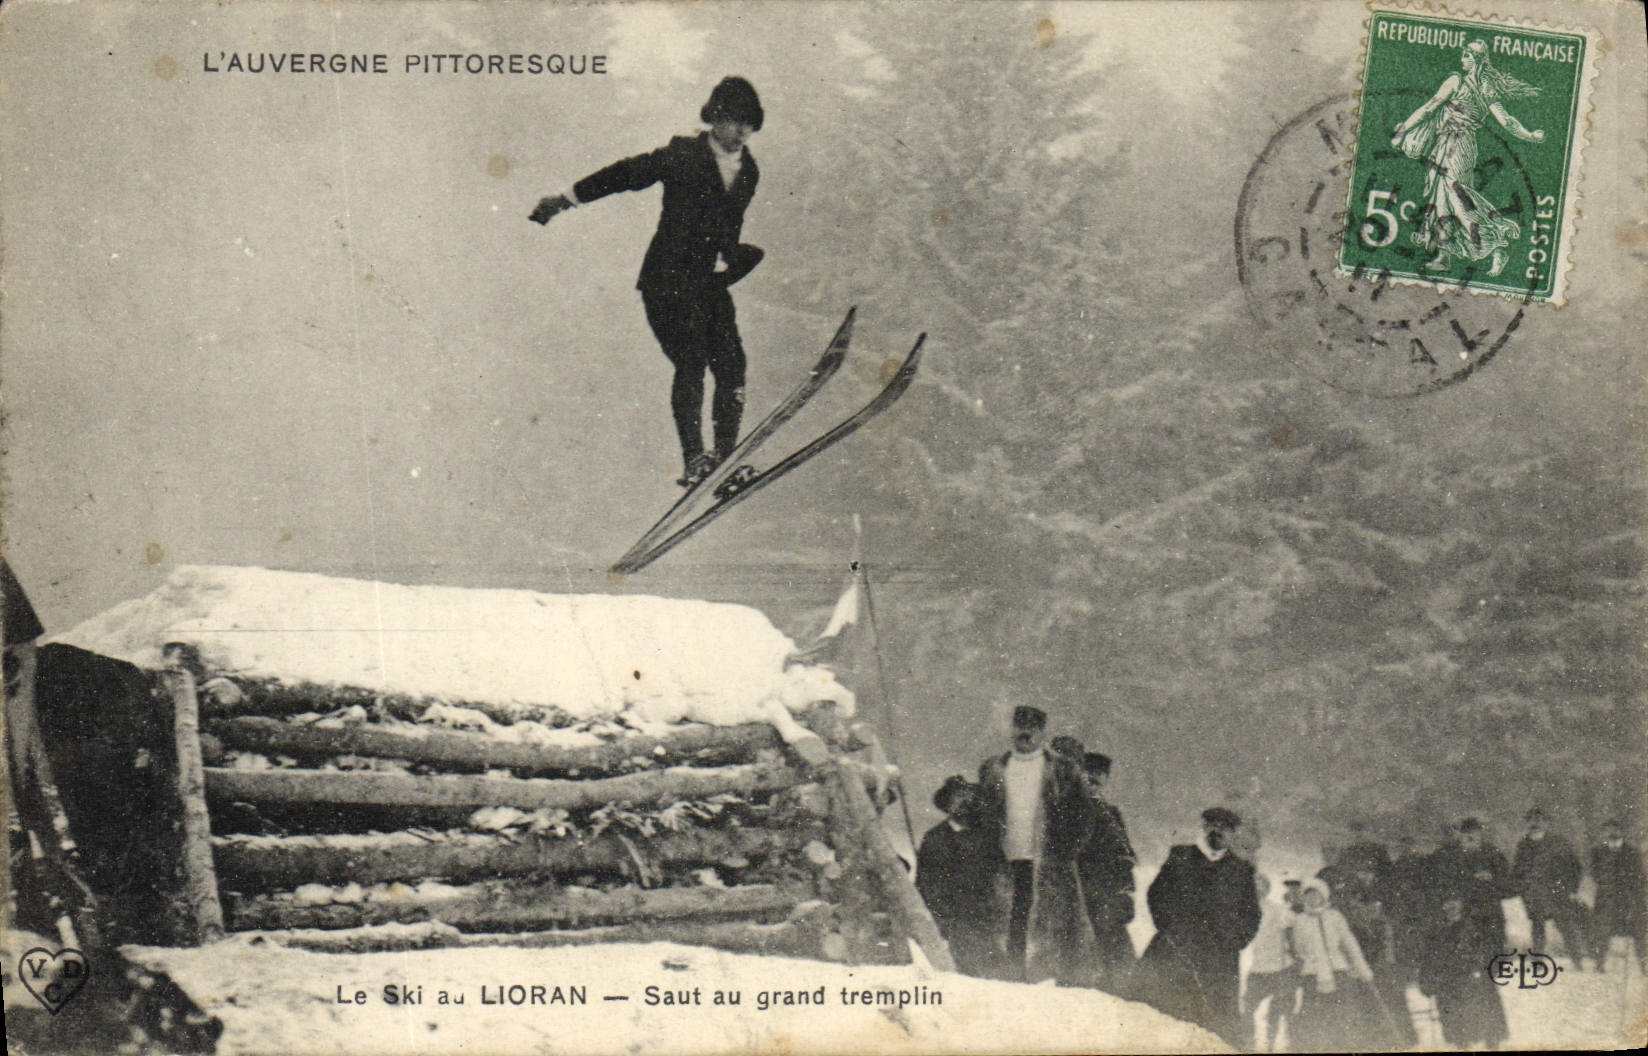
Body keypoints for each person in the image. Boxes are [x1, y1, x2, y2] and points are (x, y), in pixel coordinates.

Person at [530, 76, 767, 487]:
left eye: (750, 123)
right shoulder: (682, 155)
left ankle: (725, 459)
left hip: (708, 285)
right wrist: (566, 199)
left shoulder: (748, 171)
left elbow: (727, 228)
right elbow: (625, 174)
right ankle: (695, 459)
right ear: (714, 119)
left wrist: (736, 258)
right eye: (734, 121)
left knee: (732, 364)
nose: (742, 132)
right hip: (667, 283)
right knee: (692, 361)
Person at [1389, 39, 1546, 275]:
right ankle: (1443, 256)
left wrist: (1531, 136)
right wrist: (1530, 136)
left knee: (1457, 195)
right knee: (1442, 199)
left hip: (1459, 146)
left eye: (1466, 55)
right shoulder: (1481, 87)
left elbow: (1429, 108)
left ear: (1475, 60)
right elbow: (1506, 121)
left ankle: (1496, 243)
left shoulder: (1463, 83)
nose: (1462, 59)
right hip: (1445, 144)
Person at [975, 705, 1089, 983]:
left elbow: (1083, 815)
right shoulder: (993, 769)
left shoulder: (1063, 769)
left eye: (1033, 728)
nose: (1025, 734)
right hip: (1006, 857)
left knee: (1050, 919)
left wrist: (1067, 850)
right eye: (1020, 727)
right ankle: (1011, 974)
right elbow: (982, 814)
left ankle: (1051, 976)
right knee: (1009, 918)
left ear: (1042, 732)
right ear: (1012, 729)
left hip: (1048, 858)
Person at [1138, 807, 1262, 1046]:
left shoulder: (1241, 870)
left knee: (1215, 1025)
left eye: (1224, 829)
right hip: (1174, 950)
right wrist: (1170, 931)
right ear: (1204, 828)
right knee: (1159, 1015)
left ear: (1233, 834)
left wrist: (1234, 941)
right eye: (1212, 826)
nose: (1217, 833)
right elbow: (1156, 895)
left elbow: (1251, 915)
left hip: (1219, 960)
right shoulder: (1180, 857)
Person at [914, 775, 998, 978]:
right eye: (956, 799)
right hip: (943, 914)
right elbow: (924, 880)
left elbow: (996, 875)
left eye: (967, 798)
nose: (962, 804)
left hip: (978, 915)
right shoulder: (933, 837)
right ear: (947, 804)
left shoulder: (986, 837)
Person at [1290, 877, 1383, 1052]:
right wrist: (1311, 962)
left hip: (1338, 971)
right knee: (1317, 1019)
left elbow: (1350, 945)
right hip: (1313, 975)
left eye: (1315, 895)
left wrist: (1364, 971)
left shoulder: (1334, 916)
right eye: (1308, 895)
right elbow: (1299, 948)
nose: (1312, 899)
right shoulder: (1300, 921)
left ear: (1323, 896)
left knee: (1345, 1016)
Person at [1074, 751, 1137, 993]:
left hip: (1108, 901)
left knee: (1121, 973)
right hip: (1080, 896)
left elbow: (1124, 858)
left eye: (1100, 774)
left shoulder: (1112, 814)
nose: (1094, 778)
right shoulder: (1069, 812)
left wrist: (1125, 896)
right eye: (1088, 772)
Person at [1419, 894, 1509, 1050]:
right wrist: (1427, 981)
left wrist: (1487, 969)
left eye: (1454, 902)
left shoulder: (1475, 926)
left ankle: (1492, 1045)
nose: (1451, 907)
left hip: (1476, 979)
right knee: (1457, 1027)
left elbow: (1489, 950)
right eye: (1447, 903)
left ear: (1461, 904)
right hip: (1449, 983)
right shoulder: (1436, 930)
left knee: (1487, 1021)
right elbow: (1428, 958)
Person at [1510, 808, 1589, 964]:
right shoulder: (1523, 845)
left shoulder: (1558, 843)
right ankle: (1538, 961)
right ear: (1527, 823)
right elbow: (1517, 870)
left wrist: (1572, 889)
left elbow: (1575, 867)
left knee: (1565, 925)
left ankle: (1577, 960)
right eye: (1532, 820)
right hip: (1534, 892)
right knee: (1537, 927)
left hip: (1558, 892)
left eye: (1539, 820)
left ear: (1547, 823)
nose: (1535, 823)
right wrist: (1521, 888)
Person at [1430, 817, 1512, 949]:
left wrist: (1491, 878)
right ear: (1461, 835)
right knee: (1464, 943)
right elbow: (1443, 879)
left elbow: (1505, 878)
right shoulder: (1450, 854)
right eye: (1467, 834)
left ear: (1480, 834)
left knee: (1493, 943)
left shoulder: (1492, 852)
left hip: (1489, 905)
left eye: (1475, 833)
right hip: (1462, 905)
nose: (1471, 837)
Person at [1242, 874, 1300, 1052]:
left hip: (1280, 967)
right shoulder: (1244, 910)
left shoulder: (1276, 909)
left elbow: (1294, 921)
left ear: (1267, 890)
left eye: (1262, 886)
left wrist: (1293, 905)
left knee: (1282, 1010)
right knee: (1246, 1008)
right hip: (1259, 967)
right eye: (1254, 886)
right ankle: (1249, 1043)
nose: (1258, 890)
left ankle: (1276, 1045)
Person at [1589, 820, 1647, 973]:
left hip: (1629, 899)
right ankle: (1599, 964)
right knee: (1602, 932)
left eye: (1615, 830)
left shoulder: (1632, 852)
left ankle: (1644, 965)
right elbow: (1596, 875)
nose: (1612, 833)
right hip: (1606, 899)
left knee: (1639, 932)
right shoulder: (1598, 852)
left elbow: (1640, 877)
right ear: (1604, 834)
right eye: (1608, 831)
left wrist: (1637, 898)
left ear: (1622, 832)